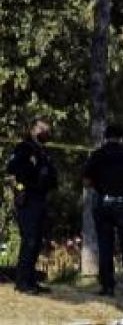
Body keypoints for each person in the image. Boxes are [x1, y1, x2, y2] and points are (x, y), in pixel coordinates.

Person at [83, 125, 123, 297]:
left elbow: (87, 181)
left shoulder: (98, 154)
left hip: (103, 204)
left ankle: (108, 286)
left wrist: (99, 185)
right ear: (121, 137)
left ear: (105, 137)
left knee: (105, 246)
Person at [5, 117, 57, 294]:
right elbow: (11, 174)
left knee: (37, 242)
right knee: (29, 240)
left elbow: (51, 177)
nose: (46, 133)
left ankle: (30, 280)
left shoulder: (43, 152)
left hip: (41, 199)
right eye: (43, 129)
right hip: (28, 199)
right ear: (34, 129)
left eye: (48, 130)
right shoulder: (24, 148)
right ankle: (22, 282)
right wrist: (19, 191)